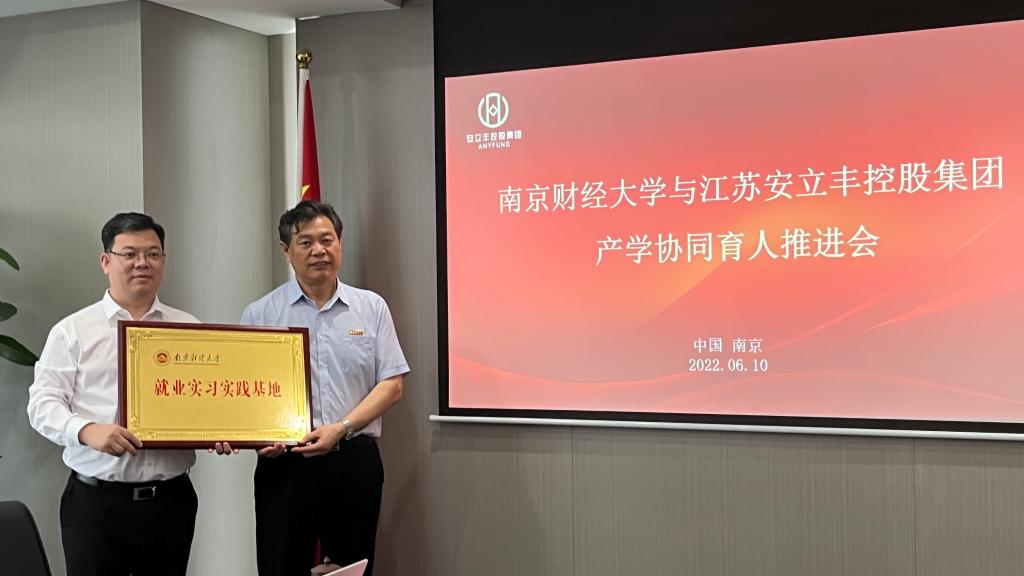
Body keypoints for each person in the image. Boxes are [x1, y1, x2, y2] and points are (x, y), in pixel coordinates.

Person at [27, 212, 220, 576]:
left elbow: (209, 399)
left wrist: (223, 430)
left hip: (170, 502)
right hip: (95, 504)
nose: (142, 263)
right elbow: (42, 404)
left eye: (153, 254)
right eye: (129, 254)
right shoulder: (73, 331)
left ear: (163, 261)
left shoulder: (189, 328)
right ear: (106, 261)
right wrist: (87, 430)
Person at [240, 200, 409, 576]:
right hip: (285, 464)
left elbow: (392, 384)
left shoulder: (371, 307)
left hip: (353, 461)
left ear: (340, 244)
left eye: (327, 240)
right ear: (286, 251)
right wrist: (257, 437)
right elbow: (246, 392)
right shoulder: (260, 314)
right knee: (280, 565)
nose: (319, 250)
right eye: (305, 242)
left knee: (352, 566)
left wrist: (341, 428)